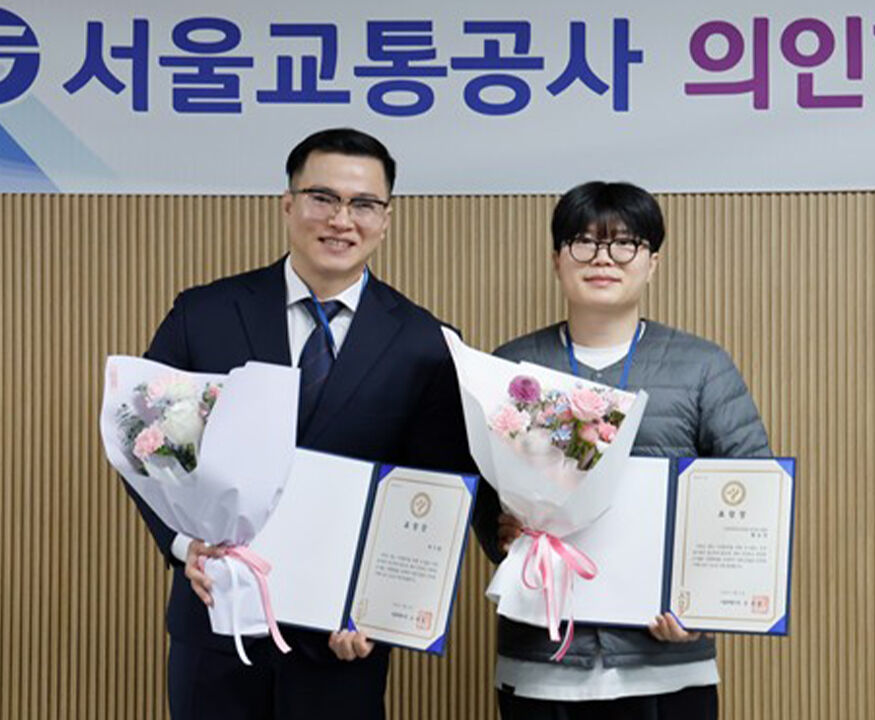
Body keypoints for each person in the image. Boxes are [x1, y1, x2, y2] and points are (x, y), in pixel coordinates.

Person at [123, 127, 472, 720]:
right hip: (216, 623)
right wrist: (184, 547)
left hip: (340, 643)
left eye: (363, 204)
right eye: (323, 198)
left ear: (386, 219)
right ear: (288, 204)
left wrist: (380, 608)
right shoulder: (204, 313)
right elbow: (142, 440)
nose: (342, 220)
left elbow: (435, 488)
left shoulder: (427, 344)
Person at [472, 181, 772, 720]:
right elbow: (482, 494)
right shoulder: (514, 366)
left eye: (625, 243)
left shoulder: (702, 366)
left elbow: (751, 493)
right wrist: (504, 537)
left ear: (652, 262)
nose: (603, 258)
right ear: (557, 259)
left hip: (666, 660)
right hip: (541, 658)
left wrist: (703, 605)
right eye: (584, 242)